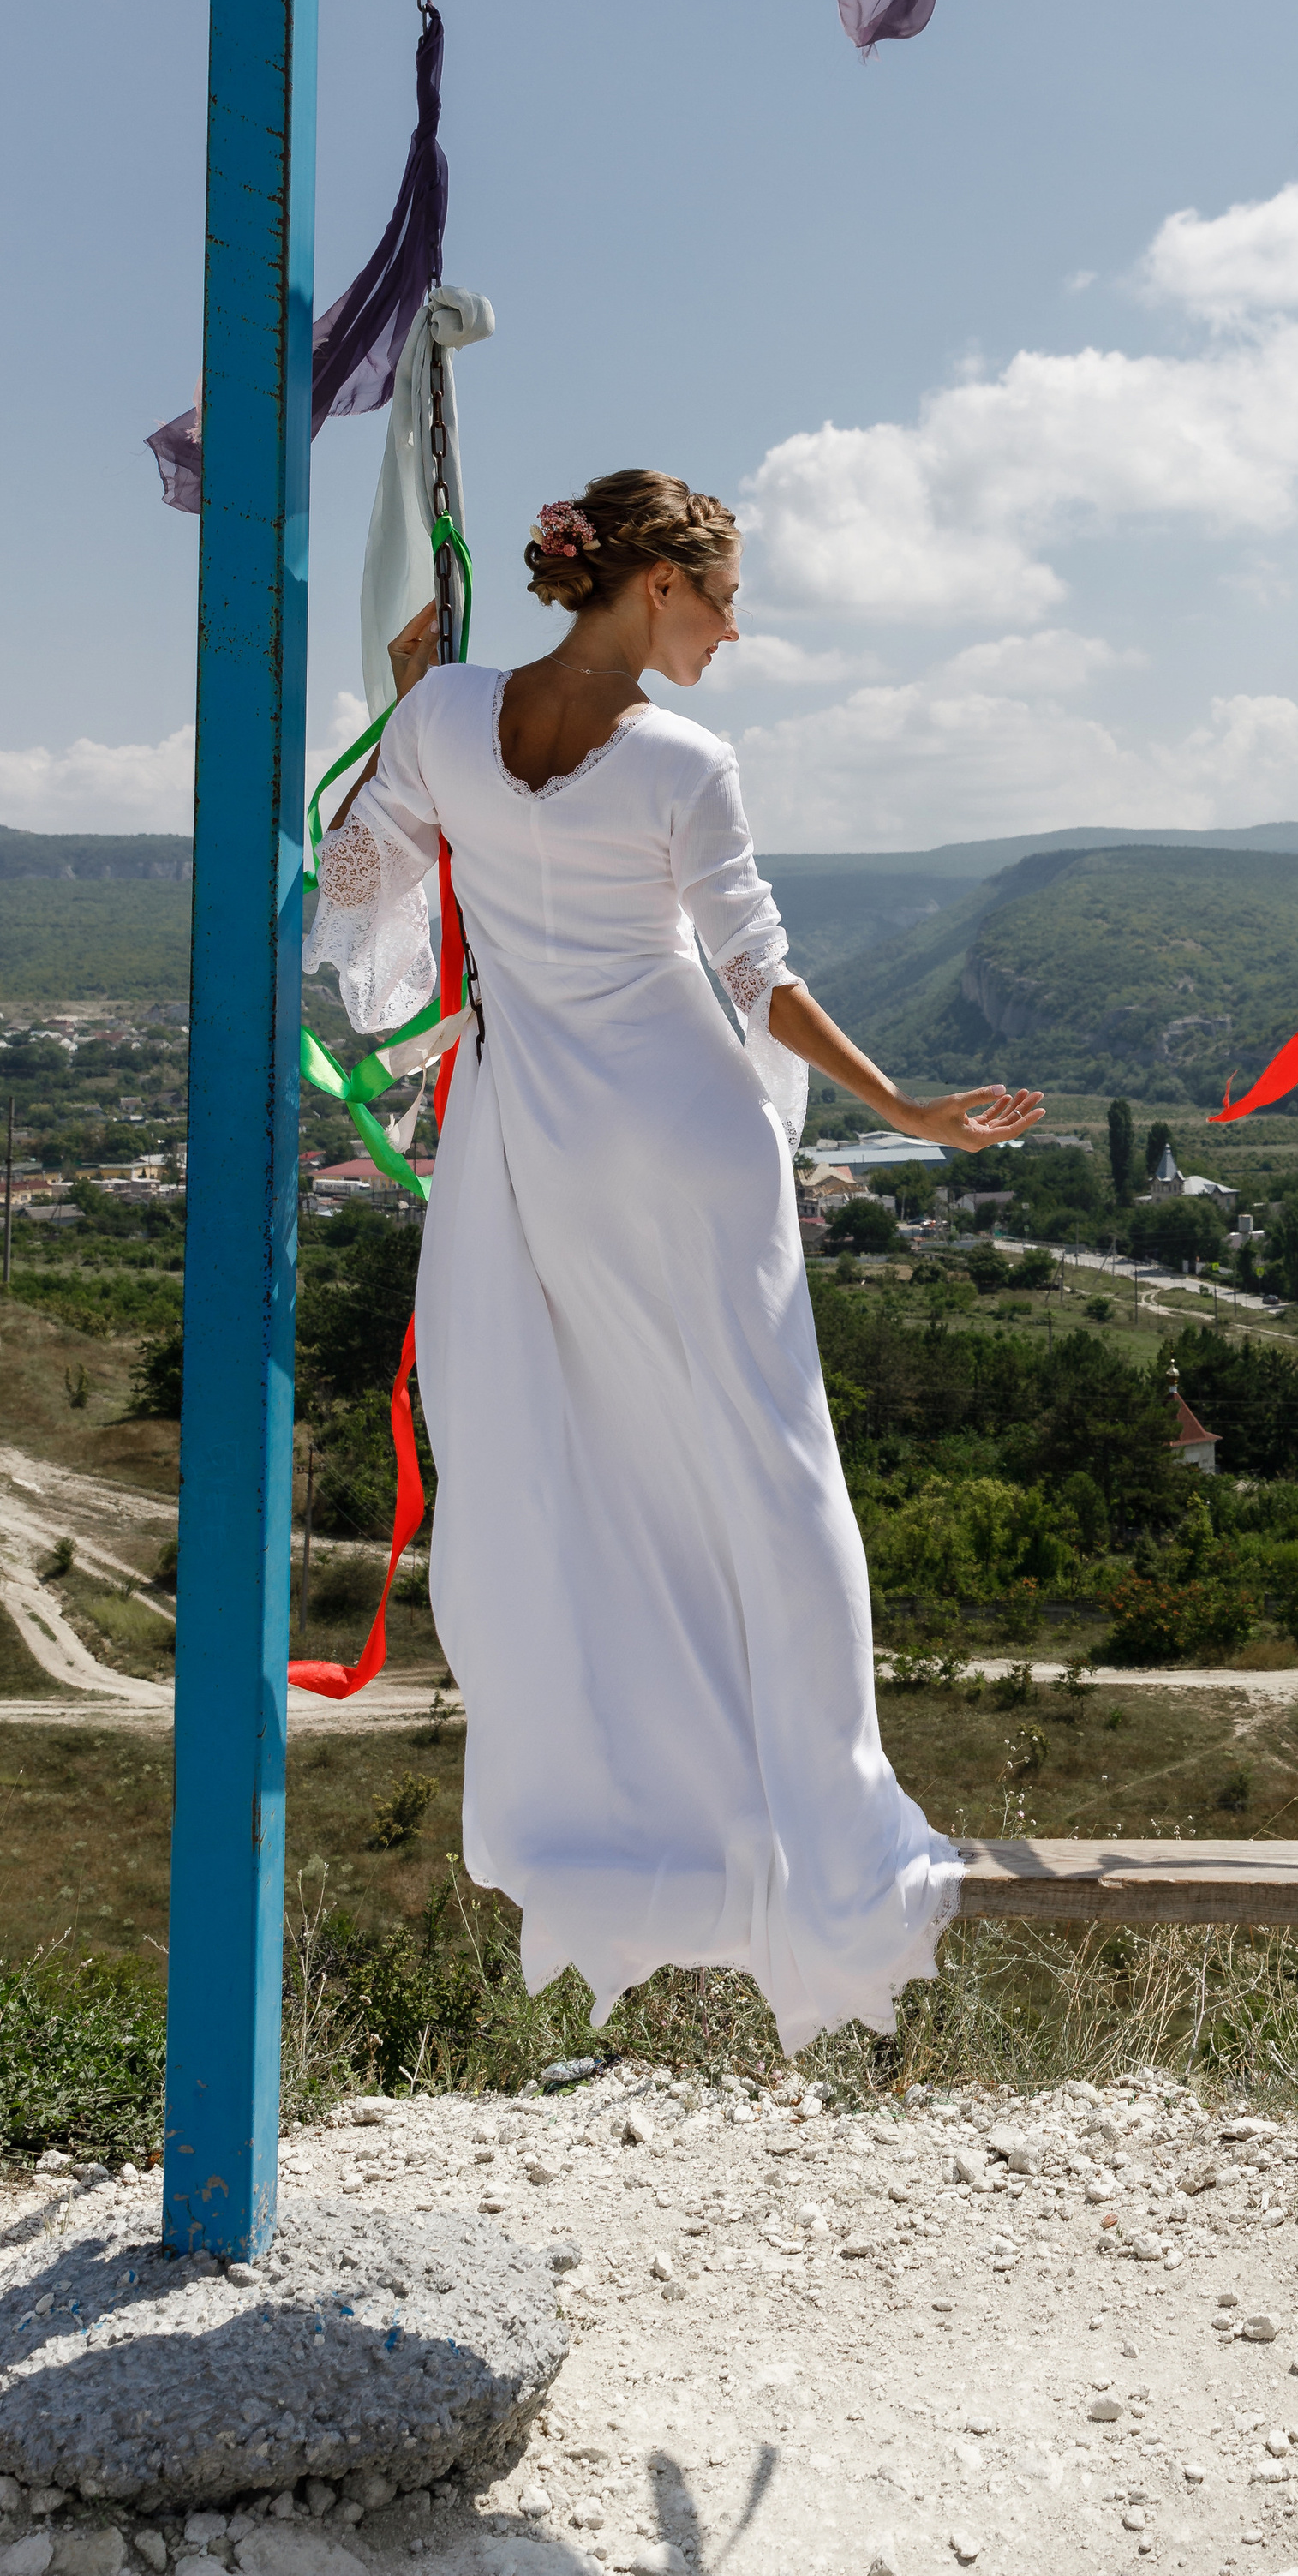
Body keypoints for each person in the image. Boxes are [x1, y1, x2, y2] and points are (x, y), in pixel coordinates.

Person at [306, 469, 1041, 2048]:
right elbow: (758, 979)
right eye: (721, 597)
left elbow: (360, 878)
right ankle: (819, 1806)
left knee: (575, 1460)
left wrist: (408, 705)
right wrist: (906, 1103)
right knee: (767, 1466)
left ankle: (650, 1810)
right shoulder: (686, 762)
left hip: (537, 1145)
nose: (731, 628)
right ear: (649, 588)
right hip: (691, 1145)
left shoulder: (444, 715)